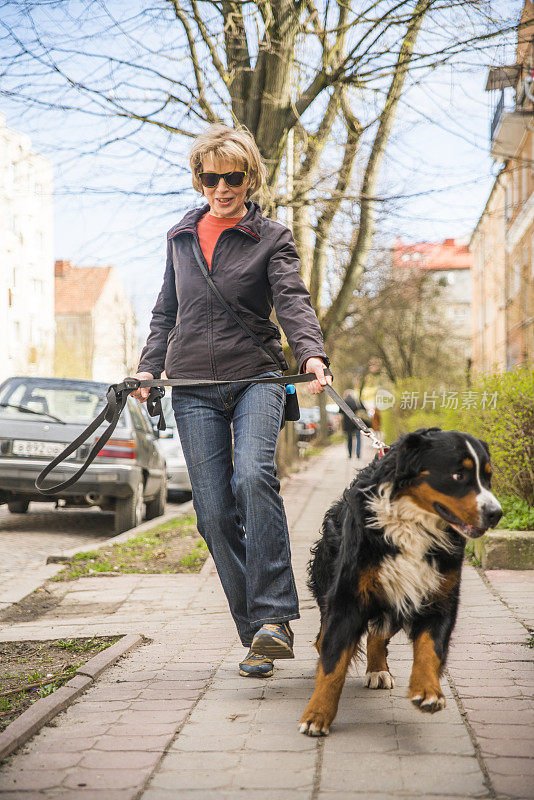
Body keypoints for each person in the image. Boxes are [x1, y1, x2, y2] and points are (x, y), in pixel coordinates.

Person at [132, 124, 331, 679]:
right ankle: (260, 634)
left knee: (251, 477)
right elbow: (165, 312)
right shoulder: (181, 238)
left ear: (250, 178)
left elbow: (292, 300)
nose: (222, 187)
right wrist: (149, 367)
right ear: (199, 179)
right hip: (192, 384)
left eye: (233, 176)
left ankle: (273, 615)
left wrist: (311, 355)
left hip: (257, 378)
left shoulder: (271, 237)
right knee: (214, 512)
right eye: (211, 177)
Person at [341, 390, 368, 459]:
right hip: (357, 423)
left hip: (347, 423)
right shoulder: (357, 401)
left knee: (349, 439)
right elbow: (364, 409)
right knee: (358, 438)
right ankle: (358, 453)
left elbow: (340, 411)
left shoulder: (343, 402)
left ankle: (350, 454)